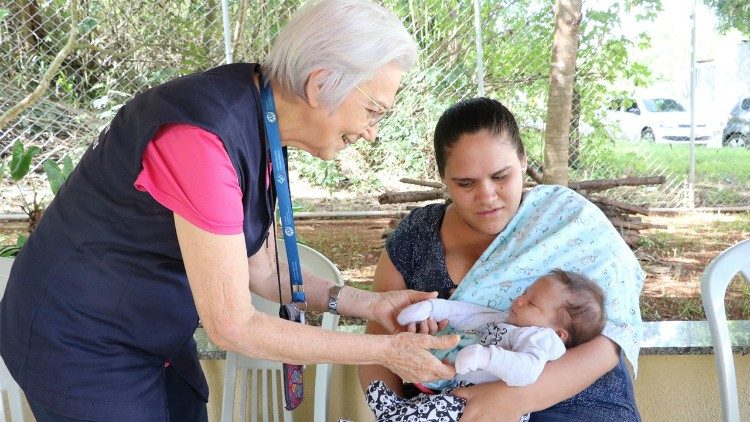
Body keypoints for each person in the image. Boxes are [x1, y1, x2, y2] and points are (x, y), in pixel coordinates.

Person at [0, 1, 460, 421]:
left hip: (146, 329)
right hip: (77, 338)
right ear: (320, 84)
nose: (371, 132)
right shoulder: (203, 136)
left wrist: (372, 304)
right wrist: (385, 351)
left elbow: (258, 266)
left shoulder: (258, 113)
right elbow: (234, 326)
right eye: (373, 111)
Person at [358, 97, 644, 422]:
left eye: (500, 176)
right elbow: (377, 340)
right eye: (465, 183)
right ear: (443, 177)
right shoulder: (416, 237)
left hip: (578, 406)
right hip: (446, 409)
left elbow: (613, 338)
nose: (487, 196)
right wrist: (393, 412)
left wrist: (511, 398)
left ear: (523, 160)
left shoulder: (568, 219)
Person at [366, 269, 606, 421]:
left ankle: (393, 414)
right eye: (524, 293)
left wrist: (486, 357)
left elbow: (527, 371)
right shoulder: (507, 318)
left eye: (532, 304)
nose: (519, 300)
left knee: (428, 414)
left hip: (488, 410)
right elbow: (468, 314)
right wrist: (432, 308)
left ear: (559, 333)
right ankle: (394, 411)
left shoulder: (541, 338)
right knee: (425, 408)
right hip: (456, 395)